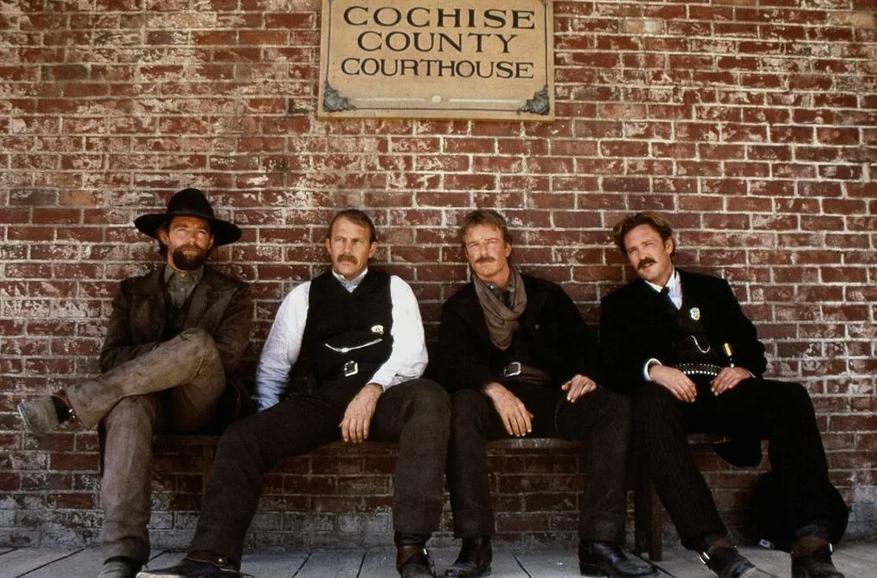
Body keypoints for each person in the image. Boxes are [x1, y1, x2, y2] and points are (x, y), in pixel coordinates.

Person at [139, 209, 450, 578]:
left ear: (372, 249)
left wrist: (372, 389)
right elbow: (274, 367)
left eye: (357, 241)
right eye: (340, 239)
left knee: (429, 396)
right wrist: (269, 424)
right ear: (327, 245)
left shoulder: (395, 288)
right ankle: (210, 559)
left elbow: (413, 354)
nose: (347, 248)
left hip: (386, 397)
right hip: (329, 400)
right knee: (243, 437)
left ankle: (412, 551)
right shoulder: (304, 296)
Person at [18, 188, 252, 578]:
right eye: (183, 229)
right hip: (146, 402)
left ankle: (69, 403)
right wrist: (165, 357)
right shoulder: (132, 291)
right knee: (127, 407)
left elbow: (225, 357)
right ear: (164, 236)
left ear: (211, 241)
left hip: (202, 401)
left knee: (199, 343)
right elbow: (110, 358)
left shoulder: (234, 293)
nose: (192, 238)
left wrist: (176, 353)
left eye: (201, 232)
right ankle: (121, 557)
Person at [600, 211, 845, 578]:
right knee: (649, 404)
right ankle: (714, 546)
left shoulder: (712, 290)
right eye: (632, 251)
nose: (641, 256)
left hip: (722, 391)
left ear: (668, 245)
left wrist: (742, 368)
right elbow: (610, 367)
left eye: (647, 245)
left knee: (790, 398)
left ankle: (812, 545)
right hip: (670, 402)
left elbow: (751, 347)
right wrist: (654, 370)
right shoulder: (619, 304)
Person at [437, 209, 656, 578]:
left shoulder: (546, 295)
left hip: (551, 396)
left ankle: (600, 545)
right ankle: (475, 546)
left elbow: (586, 347)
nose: (483, 252)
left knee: (613, 408)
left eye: (490, 242)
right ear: (466, 254)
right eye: (474, 245)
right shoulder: (459, 307)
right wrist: (494, 390)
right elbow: (450, 365)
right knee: (461, 406)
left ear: (507, 247)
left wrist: (586, 375)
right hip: (493, 404)